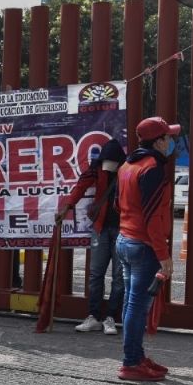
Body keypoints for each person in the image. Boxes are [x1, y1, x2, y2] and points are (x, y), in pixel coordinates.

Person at [116, 116, 177, 382]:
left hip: (126, 239)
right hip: (143, 245)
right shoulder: (152, 168)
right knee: (137, 307)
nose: (171, 142)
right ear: (159, 141)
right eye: (168, 137)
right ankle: (131, 363)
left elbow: (120, 204)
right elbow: (152, 216)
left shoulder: (128, 165)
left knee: (132, 304)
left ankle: (136, 356)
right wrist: (163, 256)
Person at [58, 139, 126, 335]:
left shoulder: (128, 169)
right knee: (96, 274)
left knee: (119, 277)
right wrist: (67, 207)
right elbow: (81, 186)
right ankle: (93, 316)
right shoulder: (96, 168)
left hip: (123, 228)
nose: (108, 167)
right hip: (101, 227)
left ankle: (111, 317)